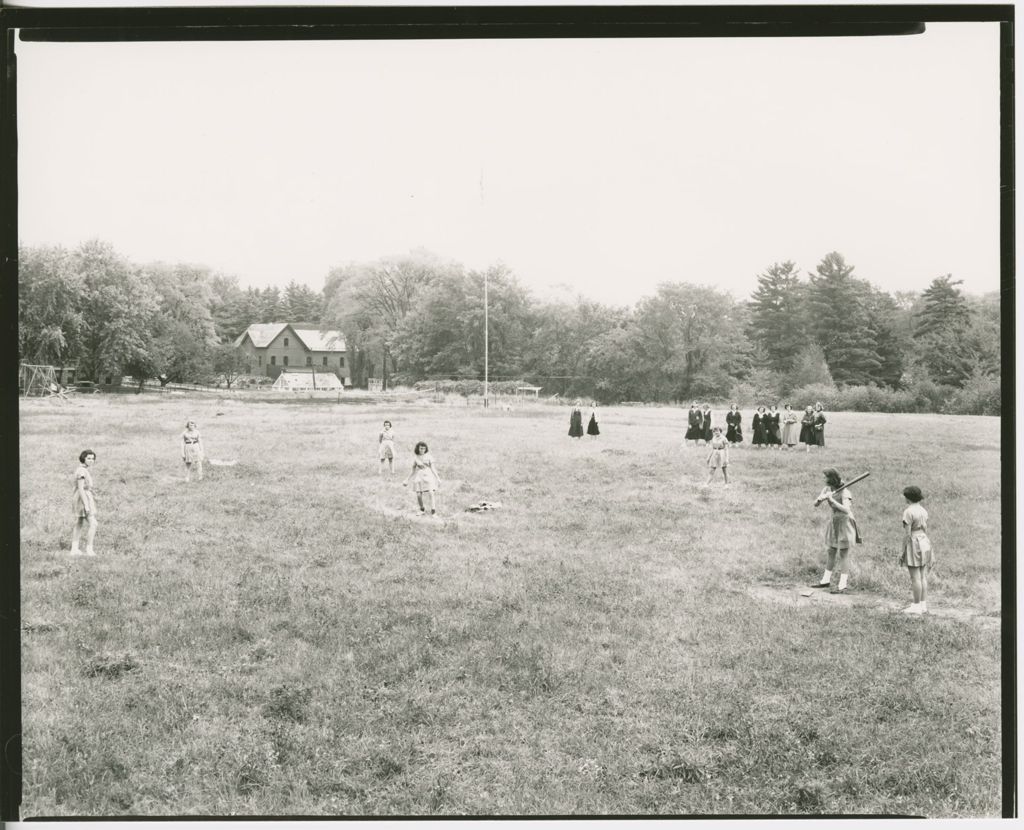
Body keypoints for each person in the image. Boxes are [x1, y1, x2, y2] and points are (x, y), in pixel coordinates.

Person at [810, 468, 861, 594]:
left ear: (831, 478)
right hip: (834, 522)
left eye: (825, 477)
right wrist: (820, 499)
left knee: (843, 554)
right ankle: (825, 581)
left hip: (845, 523)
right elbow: (815, 504)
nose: (823, 479)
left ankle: (842, 585)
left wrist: (831, 500)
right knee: (831, 551)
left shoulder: (845, 492)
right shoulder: (827, 489)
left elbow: (846, 510)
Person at [899, 485, 933, 614]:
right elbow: (925, 529)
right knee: (922, 576)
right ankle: (923, 605)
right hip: (924, 541)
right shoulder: (923, 510)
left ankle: (916, 606)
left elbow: (907, 534)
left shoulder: (908, 511)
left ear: (908, 498)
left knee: (915, 578)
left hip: (914, 541)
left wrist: (902, 551)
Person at [70, 449, 98, 556]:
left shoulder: (83, 469)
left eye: (92, 458)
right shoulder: (82, 471)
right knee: (94, 523)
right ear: (83, 458)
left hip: (82, 497)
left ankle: (74, 549)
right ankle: (89, 550)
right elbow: (81, 489)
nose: (91, 460)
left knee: (79, 522)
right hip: (82, 498)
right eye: (88, 458)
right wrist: (86, 505)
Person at [403, 441, 442, 515]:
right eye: (421, 448)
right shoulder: (415, 458)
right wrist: (407, 480)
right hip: (419, 476)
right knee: (418, 494)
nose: (422, 450)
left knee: (431, 492)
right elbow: (413, 470)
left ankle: (433, 512)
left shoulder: (429, 456)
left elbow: (433, 468)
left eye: (424, 448)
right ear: (418, 448)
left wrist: (438, 478)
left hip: (428, 475)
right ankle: (422, 509)